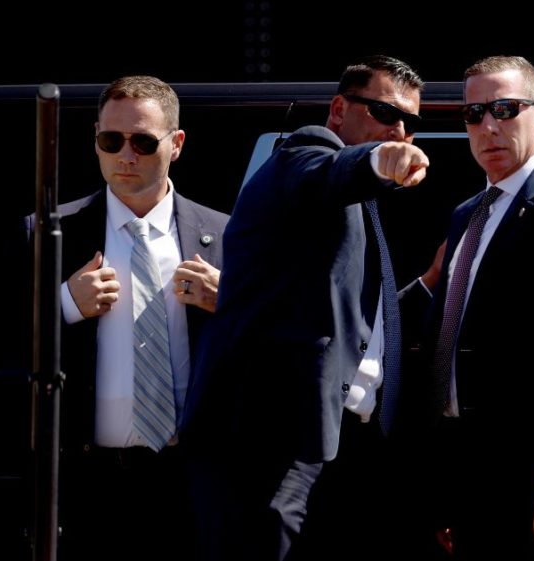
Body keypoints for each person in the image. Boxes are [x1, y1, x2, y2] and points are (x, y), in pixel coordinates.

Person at [180, 55, 431, 561]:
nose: (398, 129)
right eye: (384, 111)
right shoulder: (305, 151)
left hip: (329, 438)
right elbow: (331, 172)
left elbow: (347, 312)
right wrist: (381, 162)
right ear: (339, 109)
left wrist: (428, 286)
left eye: (408, 121)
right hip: (268, 440)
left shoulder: (354, 205)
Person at [409, 55, 534, 560]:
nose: (488, 126)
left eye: (505, 108)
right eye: (474, 113)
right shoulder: (466, 213)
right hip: (467, 471)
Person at [25, 75, 230, 560]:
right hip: (86, 482)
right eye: (110, 140)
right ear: (96, 138)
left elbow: (273, 345)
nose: (126, 155)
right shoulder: (48, 233)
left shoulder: (226, 235)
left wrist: (231, 305)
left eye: (142, 141)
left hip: (191, 479)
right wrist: (64, 304)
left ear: (176, 144)